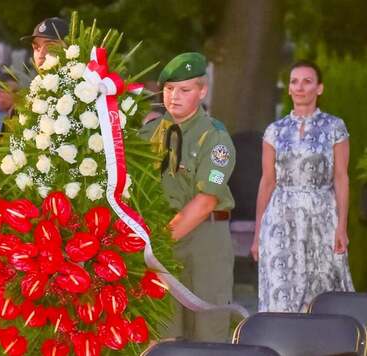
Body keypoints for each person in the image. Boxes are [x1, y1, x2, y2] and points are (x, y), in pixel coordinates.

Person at [139, 52, 236, 341]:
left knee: (207, 331)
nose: (174, 97)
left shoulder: (214, 137)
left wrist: (158, 244)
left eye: (185, 90)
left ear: (202, 91)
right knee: (162, 333)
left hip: (203, 240)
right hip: (161, 239)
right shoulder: (148, 134)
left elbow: (206, 200)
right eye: (169, 89)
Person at [251, 60, 354, 312]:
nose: (300, 87)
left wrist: (341, 226)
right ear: (288, 89)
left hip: (322, 216)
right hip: (280, 217)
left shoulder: (334, 127)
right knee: (281, 285)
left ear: (319, 89)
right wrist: (257, 234)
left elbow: (341, 177)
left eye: (307, 81)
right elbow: (267, 182)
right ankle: (279, 343)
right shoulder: (274, 131)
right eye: (294, 81)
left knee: (323, 287)